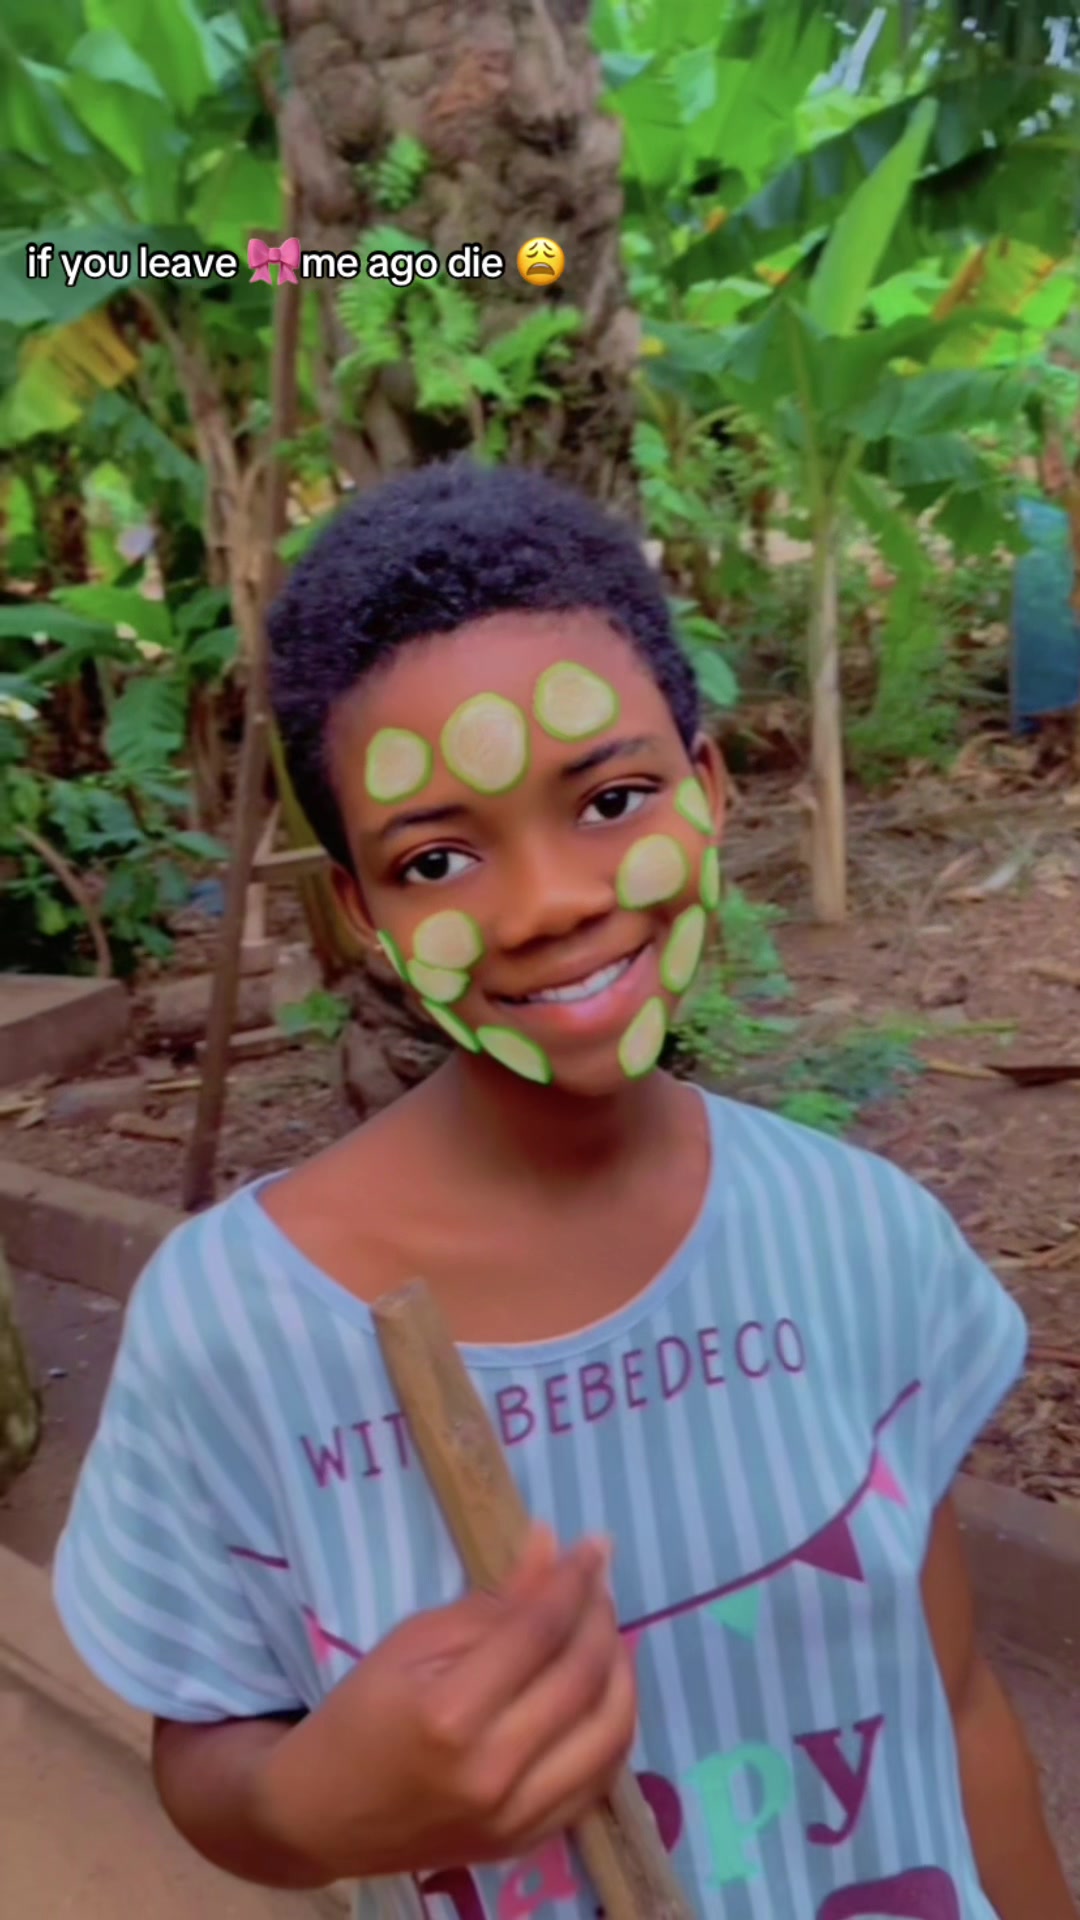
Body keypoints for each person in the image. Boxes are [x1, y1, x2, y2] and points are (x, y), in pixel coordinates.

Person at [53, 461, 1074, 1920]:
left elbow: (955, 1702)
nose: (549, 901)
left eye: (611, 799)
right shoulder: (238, 1325)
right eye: (437, 857)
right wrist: (313, 1801)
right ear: (362, 915)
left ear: (709, 789)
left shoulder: (860, 1236)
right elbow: (211, 1756)